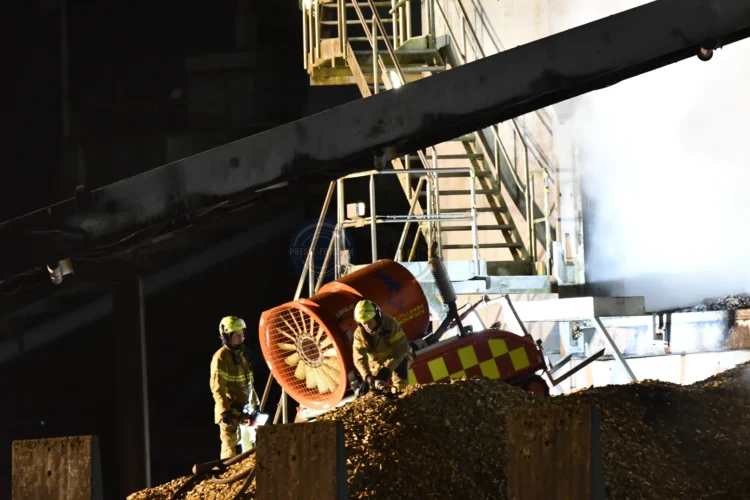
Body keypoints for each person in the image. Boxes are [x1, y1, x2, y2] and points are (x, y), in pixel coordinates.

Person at [210, 316, 260, 459]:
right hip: (231, 411)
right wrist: (224, 411)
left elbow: (249, 384)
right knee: (229, 447)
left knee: (251, 443)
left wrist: (255, 403)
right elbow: (217, 388)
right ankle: (228, 471)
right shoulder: (221, 357)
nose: (241, 337)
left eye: (242, 333)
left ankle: (250, 469)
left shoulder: (243, 355)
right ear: (227, 336)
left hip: (246, 409)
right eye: (237, 334)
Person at [351, 299, 413, 393]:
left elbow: (400, 350)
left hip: (398, 358)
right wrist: (367, 376)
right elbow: (359, 358)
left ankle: (402, 393)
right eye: (364, 323)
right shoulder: (359, 334)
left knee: (400, 373)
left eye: (369, 322)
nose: (367, 326)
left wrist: (386, 370)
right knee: (374, 390)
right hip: (377, 364)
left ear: (377, 317)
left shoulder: (390, 324)